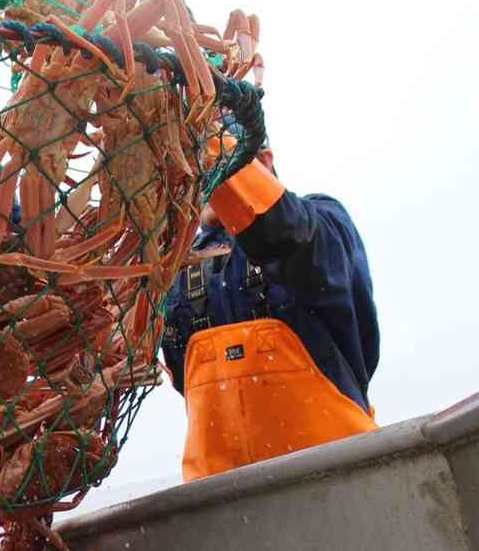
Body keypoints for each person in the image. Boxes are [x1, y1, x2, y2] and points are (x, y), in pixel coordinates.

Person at [161, 141, 380, 481]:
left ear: (263, 159)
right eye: (192, 171)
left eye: (208, 167)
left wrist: (208, 137)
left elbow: (287, 235)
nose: (200, 181)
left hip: (342, 483)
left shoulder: (322, 224)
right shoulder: (173, 268)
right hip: (219, 508)